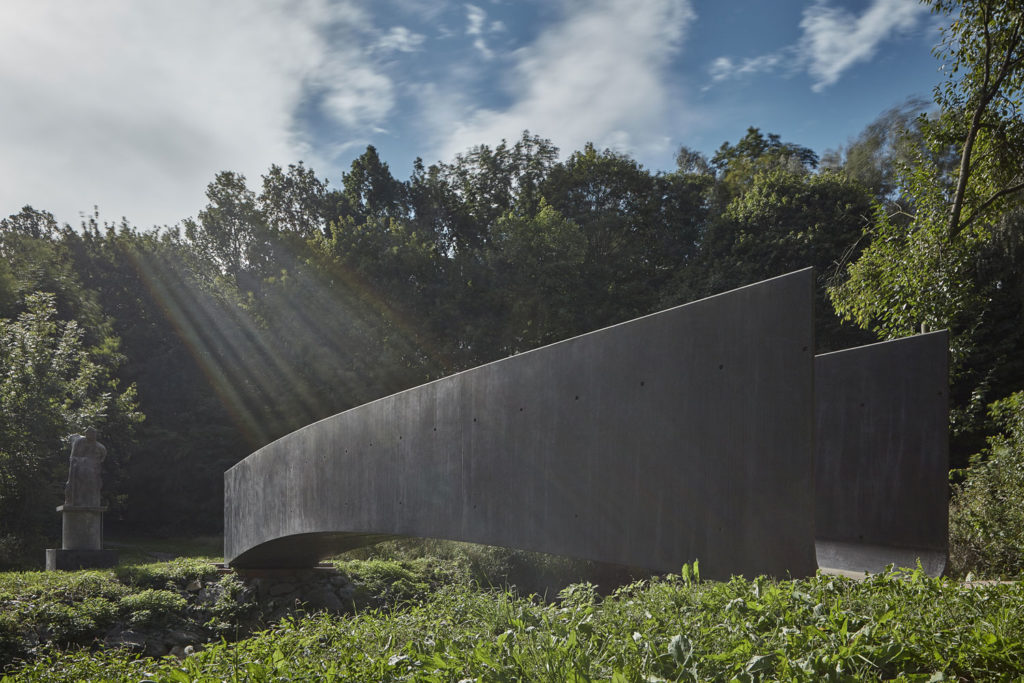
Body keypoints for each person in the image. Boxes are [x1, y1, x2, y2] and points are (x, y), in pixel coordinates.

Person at [64, 427, 106, 507]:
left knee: (92, 481)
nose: (92, 436)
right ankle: (72, 500)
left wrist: (93, 463)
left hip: (92, 468)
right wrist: (81, 461)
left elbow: (102, 459)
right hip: (78, 465)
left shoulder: (100, 447)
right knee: (73, 482)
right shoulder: (79, 441)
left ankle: (91, 501)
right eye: (89, 434)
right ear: (86, 434)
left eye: (93, 434)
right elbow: (72, 456)